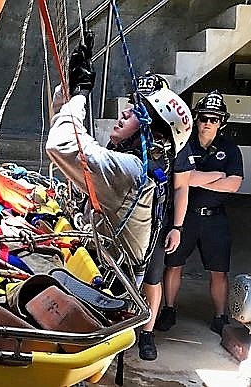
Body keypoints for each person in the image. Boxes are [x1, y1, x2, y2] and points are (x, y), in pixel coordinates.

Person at [46, 36, 193, 304]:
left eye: (137, 111)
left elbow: (61, 144)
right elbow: (70, 135)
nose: (124, 113)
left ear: (154, 134)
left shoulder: (133, 172)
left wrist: (79, 96)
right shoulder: (137, 166)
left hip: (106, 288)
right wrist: (68, 90)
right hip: (105, 276)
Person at [155, 90, 244, 336]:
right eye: (203, 117)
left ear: (221, 122)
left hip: (215, 217)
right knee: (173, 265)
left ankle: (220, 316)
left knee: (219, 271)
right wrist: (215, 176)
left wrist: (195, 180)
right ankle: (169, 309)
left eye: (213, 119)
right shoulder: (184, 143)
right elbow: (181, 179)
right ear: (196, 118)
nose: (207, 123)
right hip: (184, 216)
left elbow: (235, 184)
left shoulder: (230, 149)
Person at [135, 72, 195, 361]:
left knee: (153, 278)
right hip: (125, 221)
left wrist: (177, 227)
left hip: (158, 222)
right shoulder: (129, 132)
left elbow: (182, 187)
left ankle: (147, 334)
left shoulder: (176, 142)